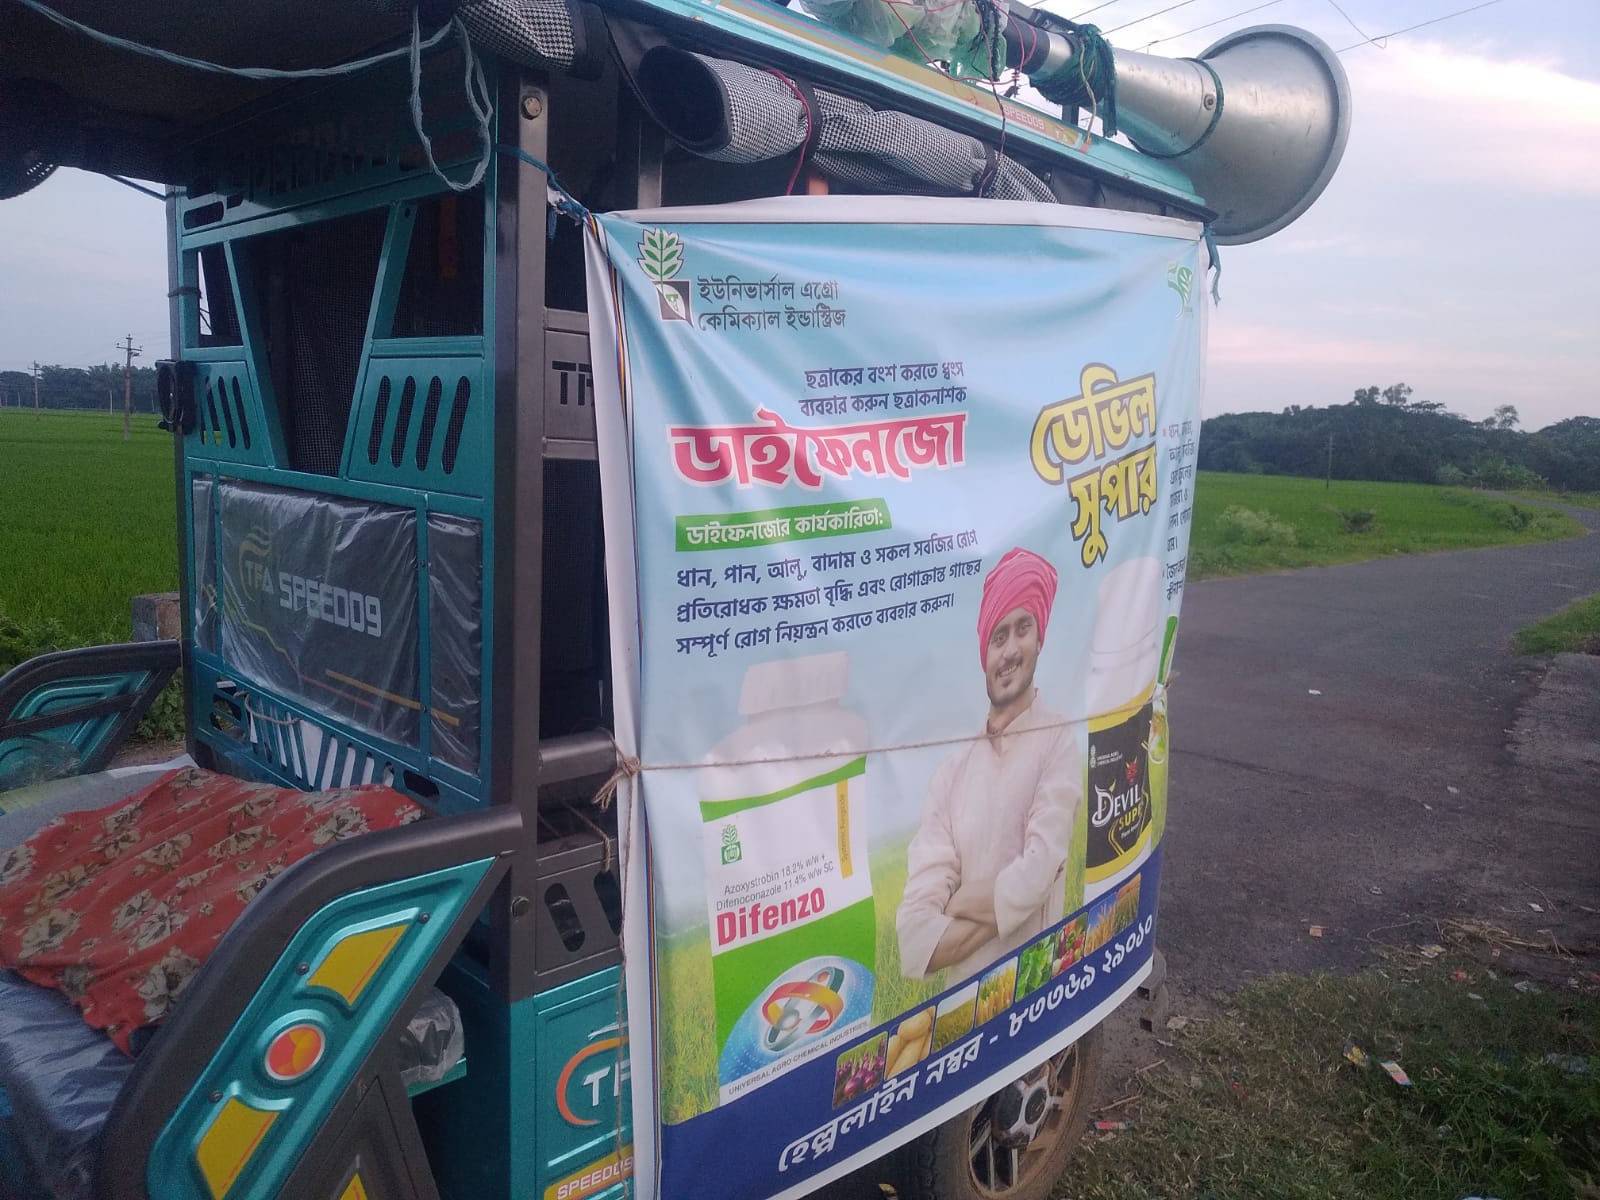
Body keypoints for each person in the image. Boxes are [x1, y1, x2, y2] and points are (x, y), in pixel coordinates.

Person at [895, 547, 1081, 981]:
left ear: (1040, 640)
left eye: (1023, 629)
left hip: (1037, 993)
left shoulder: (1056, 740)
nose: (1010, 650)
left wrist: (958, 900)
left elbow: (1041, 869)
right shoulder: (952, 774)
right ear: (985, 654)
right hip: (962, 1010)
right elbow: (913, 939)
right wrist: (1018, 897)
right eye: (999, 637)